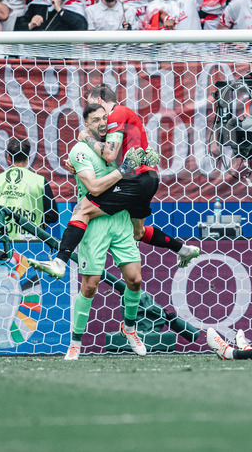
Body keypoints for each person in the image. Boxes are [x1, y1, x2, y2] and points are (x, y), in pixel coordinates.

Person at [31, 83, 200, 279]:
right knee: (137, 232)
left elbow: (110, 154)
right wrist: (75, 163)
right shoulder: (124, 117)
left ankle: (60, 262)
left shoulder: (117, 112)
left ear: (100, 100)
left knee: (82, 209)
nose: (95, 113)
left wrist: (86, 137)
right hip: (148, 179)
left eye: (92, 105)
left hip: (135, 178)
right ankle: (183, 249)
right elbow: (110, 152)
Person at [61, 103, 147, 360]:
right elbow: (94, 188)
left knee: (135, 280)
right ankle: (75, 342)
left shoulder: (117, 145)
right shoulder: (79, 150)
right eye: (95, 119)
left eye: (104, 118)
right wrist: (123, 172)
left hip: (120, 220)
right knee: (90, 286)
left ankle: (129, 329)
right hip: (95, 222)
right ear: (86, 125)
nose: (101, 123)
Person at [0, 137, 59, 241]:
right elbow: (52, 215)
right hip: (31, 242)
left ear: (8, 157)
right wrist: (35, 228)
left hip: (2, 243)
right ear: (29, 157)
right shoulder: (39, 181)